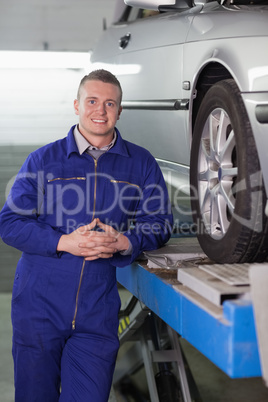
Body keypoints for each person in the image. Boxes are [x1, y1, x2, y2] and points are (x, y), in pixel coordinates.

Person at [0, 69, 173, 402]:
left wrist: (125, 242)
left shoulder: (140, 163)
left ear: (120, 111)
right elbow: (9, 222)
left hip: (97, 311)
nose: (101, 110)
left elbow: (160, 221)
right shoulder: (43, 160)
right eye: (92, 101)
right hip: (38, 307)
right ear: (77, 105)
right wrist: (65, 242)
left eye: (110, 103)